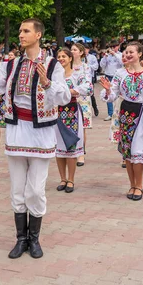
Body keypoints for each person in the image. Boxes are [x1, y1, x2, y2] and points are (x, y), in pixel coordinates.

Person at [0, 18, 71, 259]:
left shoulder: (53, 65)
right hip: (17, 128)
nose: (21, 35)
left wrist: (47, 82)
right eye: (20, 31)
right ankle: (21, 239)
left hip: (41, 131)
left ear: (38, 35)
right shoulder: (11, 65)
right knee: (17, 189)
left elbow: (63, 98)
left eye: (26, 31)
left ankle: (35, 238)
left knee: (36, 190)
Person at [99, 41, 143, 201]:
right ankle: (132, 184)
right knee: (128, 153)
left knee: (139, 151)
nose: (128, 54)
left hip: (142, 113)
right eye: (126, 52)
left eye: (131, 52)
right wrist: (108, 89)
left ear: (140, 54)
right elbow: (111, 96)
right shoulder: (120, 73)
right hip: (126, 114)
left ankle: (139, 185)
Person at [55, 48, 92, 194]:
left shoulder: (77, 74)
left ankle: (71, 179)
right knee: (59, 147)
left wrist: (71, 91)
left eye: (64, 56)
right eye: (58, 56)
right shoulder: (54, 75)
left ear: (70, 58)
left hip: (72, 110)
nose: (61, 59)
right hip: (57, 111)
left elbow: (88, 87)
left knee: (71, 145)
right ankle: (62, 178)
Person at [71, 43, 92, 167]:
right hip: (69, 98)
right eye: (71, 49)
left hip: (82, 99)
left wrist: (76, 90)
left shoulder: (86, 67)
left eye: (75, 50)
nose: (72, 51)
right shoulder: (66, 66)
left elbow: (88, 83)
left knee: (82, 126)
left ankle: (81, 153)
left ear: (81, 52)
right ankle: (71, 149)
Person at [100, 41, 124, 121]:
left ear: (118, 46)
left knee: (118, 96)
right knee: (108, 94)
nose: (113, 49)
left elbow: (122, 63)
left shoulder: (120, 55)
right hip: (108, 76)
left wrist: (115, 54)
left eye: (115, 47)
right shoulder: (108, 56)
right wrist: (104, 57)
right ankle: (110, 114)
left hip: (117, 77)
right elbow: (102, 65)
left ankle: (118, 112)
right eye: (112, 47)